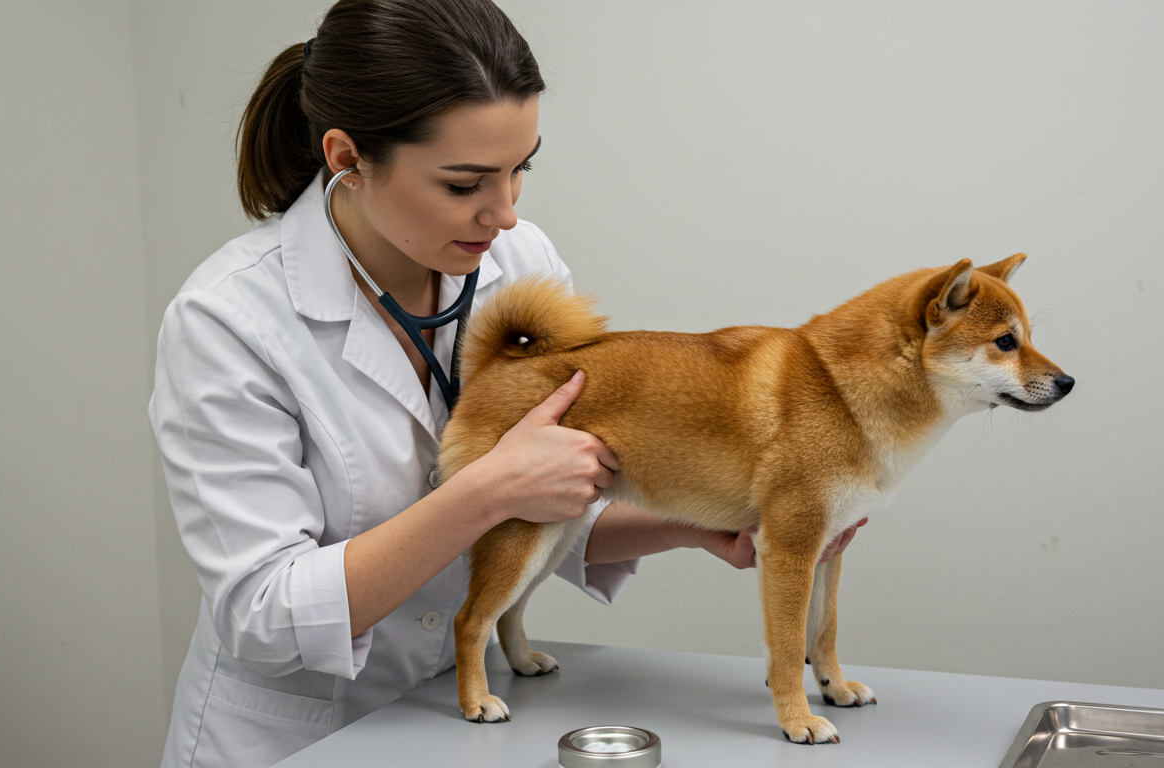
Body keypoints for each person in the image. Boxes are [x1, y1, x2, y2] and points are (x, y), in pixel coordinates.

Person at [149, 1, 865, 766]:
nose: (507, 214)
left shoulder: (517, 266)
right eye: (465, 184)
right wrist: (485, 490)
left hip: (455, 712)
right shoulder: (229, 321)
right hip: (301, 736)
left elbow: (558, 503)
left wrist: (699, 523)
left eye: (522, 169)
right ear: (346, 157)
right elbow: (265, 616)